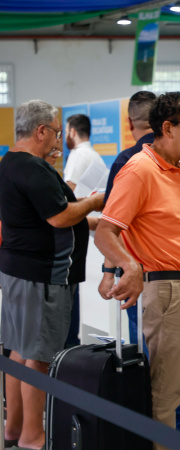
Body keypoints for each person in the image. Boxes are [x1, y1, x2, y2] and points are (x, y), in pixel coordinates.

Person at [95, 92, 180, 449]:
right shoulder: (139, 169)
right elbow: (105, 232)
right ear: (167, 128)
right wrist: (128, 265)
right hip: (168, 290)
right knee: (167, 391)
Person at [0, 100, 104, 450]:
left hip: (20, 271)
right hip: (42, 275)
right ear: (41, 130)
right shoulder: (32, 168)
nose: (59, 140)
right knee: (39, 356)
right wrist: (94, 202)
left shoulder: (11, 162)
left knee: (19, 350)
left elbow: (43, 217)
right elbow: (60, 217)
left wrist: (89, 220)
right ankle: (33, 435)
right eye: (57, 133)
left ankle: (14, 427)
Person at [63, 113, 107, 194]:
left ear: (72, 132)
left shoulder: (77, 154)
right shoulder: (95, 156)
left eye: (66, 132)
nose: (65, 136)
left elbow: (70, 188)